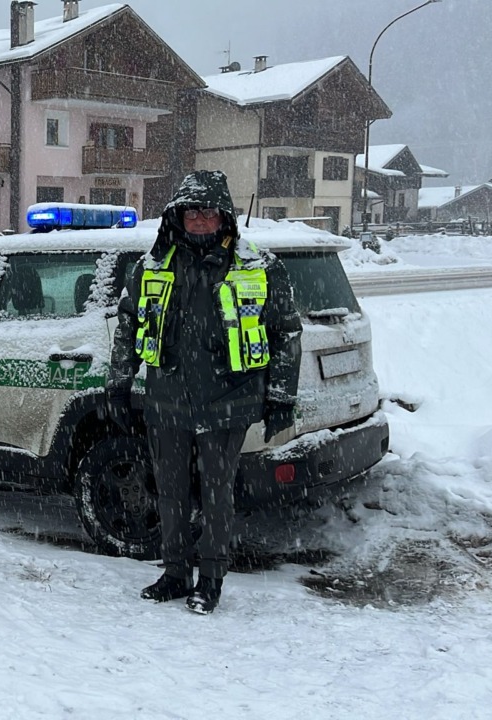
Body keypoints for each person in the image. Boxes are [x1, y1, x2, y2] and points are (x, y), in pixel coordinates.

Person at [105, 170, 302, 615]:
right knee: (170, 493)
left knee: (216, 495)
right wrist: (118, 383)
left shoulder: (259, 267)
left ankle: (211, 578)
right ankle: (175, 572)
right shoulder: (152, 267)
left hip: (228, 400)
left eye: (208, 211)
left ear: (224, 216)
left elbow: (286, 333)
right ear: (176, 216)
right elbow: (129, 325)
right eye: (190, 211)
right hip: (166, 399)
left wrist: (280, 396)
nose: (198, 218)